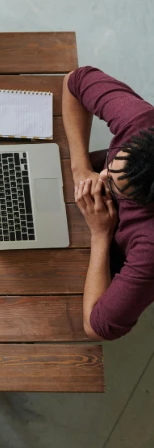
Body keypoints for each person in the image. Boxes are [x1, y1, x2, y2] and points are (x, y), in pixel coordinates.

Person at [62, 66, 154, 341]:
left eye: (114, 185)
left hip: (108, 243)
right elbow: (75, 80)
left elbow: (97, 327)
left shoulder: (150, 245)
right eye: (112, 166)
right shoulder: (142, 121)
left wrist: (101, 234)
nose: (102, 176)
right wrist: (80, 169)